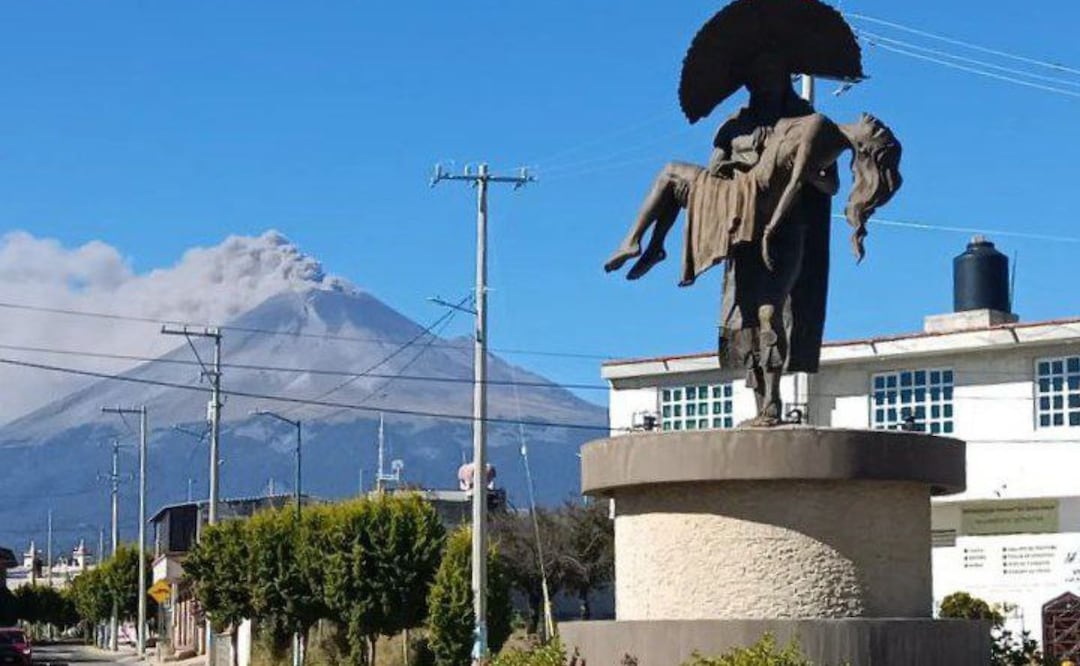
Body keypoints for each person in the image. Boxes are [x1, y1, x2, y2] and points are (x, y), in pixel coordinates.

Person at [605, 101, 902, 425]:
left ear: (866, 148)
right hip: (752, 201)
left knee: (671, 174)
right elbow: (826, 184)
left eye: (877, 131)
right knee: (753, 313)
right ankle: (652, 246)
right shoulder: (827, 138)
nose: (873, 121)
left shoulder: (818, 125)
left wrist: (773, 224)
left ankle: (638, 242)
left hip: (750, 201)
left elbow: (794, 183)